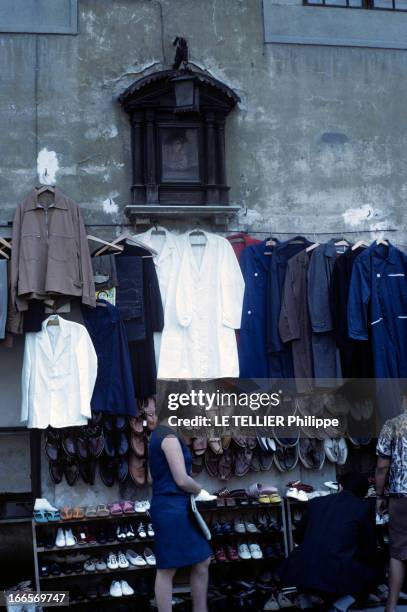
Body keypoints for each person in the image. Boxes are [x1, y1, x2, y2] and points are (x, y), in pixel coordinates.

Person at [279, 472, 379, 607]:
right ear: (365, 493)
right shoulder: (363, 508)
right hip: (334, 572)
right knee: (373, 565)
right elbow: (369, 549)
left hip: (301, 569)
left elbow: (298, 537)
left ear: (341, 487)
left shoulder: (316, 502)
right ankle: (344, 602)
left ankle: (308, 595)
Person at [148, 420, 213, 612]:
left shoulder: (159, 434)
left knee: (202, 559)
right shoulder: (168, 437)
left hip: (174, 505)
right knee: (167, 568)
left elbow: (152, 477)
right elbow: (182, 479)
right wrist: (201, 490)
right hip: (172, 508)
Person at [376, 394, 407, 612]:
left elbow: (382, 467)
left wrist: (379, 496)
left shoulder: (392, 425)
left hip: (400, 496)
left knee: (397, 553)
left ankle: (391, 606)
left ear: (404, 399)